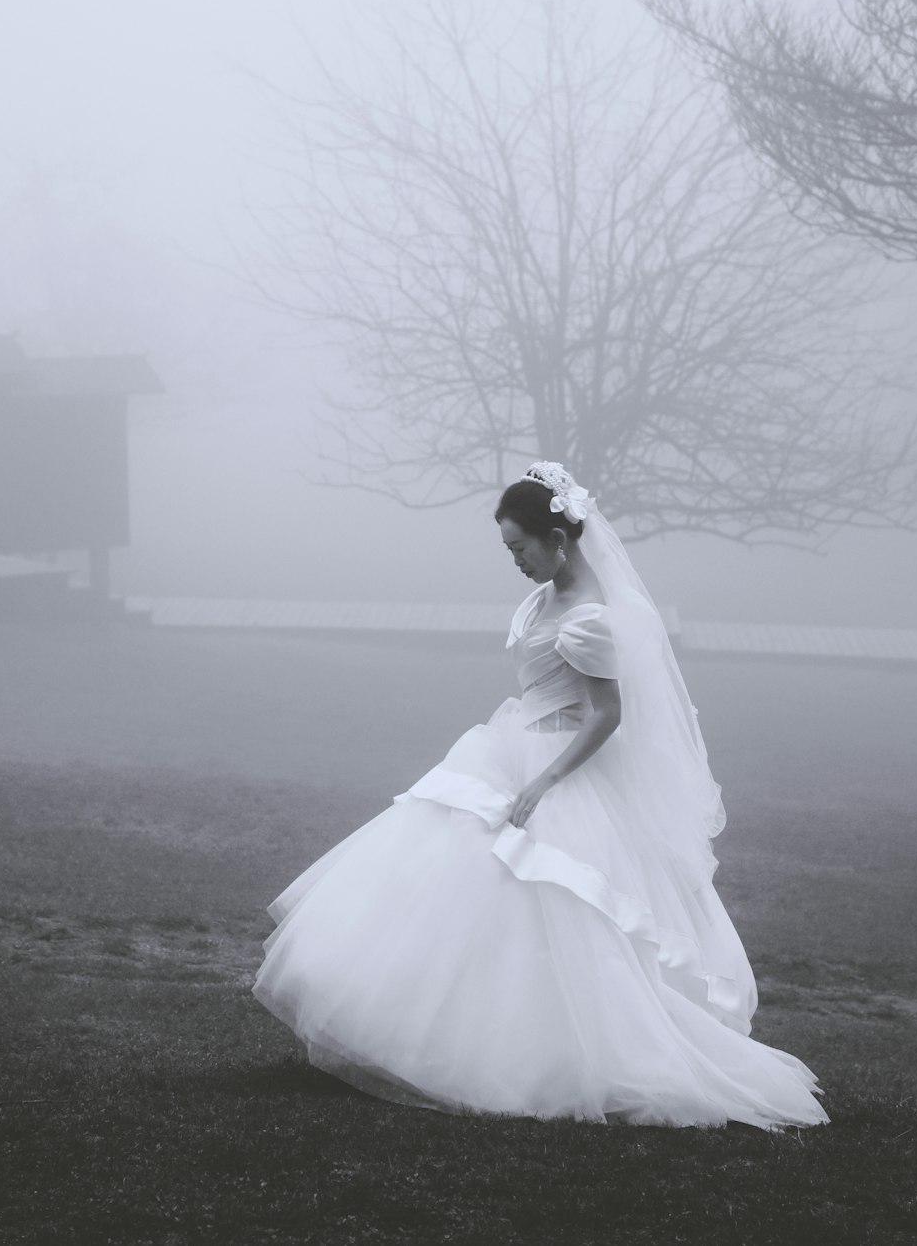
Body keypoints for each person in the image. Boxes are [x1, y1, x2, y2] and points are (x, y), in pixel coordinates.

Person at [252, 462, 829, 1129]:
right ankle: (435, 1031)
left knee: (559, 905)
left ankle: (555, 1055)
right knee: (451, 883)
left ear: (558, 538)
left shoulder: (590, 617)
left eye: (520, 549)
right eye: (509, 552)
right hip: (511, 743)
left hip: (557, 767)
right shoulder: (542, 600)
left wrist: (544, 782)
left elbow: (606, 716)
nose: (516, 563)